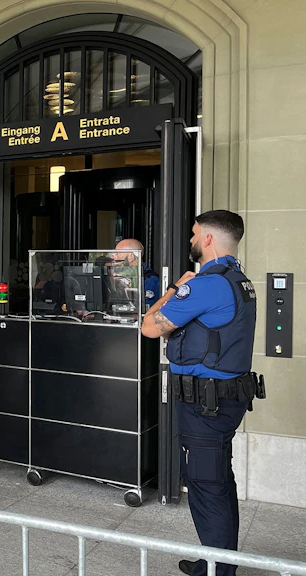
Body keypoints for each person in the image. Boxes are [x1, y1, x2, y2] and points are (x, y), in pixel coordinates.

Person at [141, 210, 262, 576]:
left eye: (194, 234)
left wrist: (175, 288)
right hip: (224, 400)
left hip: (205, 404)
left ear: (208, 239)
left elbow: (149, 326)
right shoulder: (239, 279)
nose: (191, 240)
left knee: (207, 485)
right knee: (218, 481)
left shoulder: (207, 284)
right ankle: (217, 560)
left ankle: (218, 572)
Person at [114, 238, 161, 307]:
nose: (114, 257)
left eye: (118, 253)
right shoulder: (120, 276)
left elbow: (145, 309)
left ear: (131, 256)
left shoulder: (150, 280)